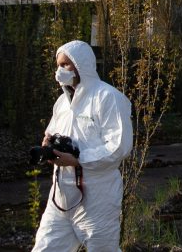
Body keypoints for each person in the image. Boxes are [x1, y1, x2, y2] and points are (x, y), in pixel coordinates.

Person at [32, 40, 133, 252]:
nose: (60, 70)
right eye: (58, 65)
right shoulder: (62, 102)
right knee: (45, 248)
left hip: (97, 199)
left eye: (66, 65)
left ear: (82, 65)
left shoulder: (108, 98)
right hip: (60, 197)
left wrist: (79, 159)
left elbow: (119, 147)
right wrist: (47, 144)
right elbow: (51, 132)